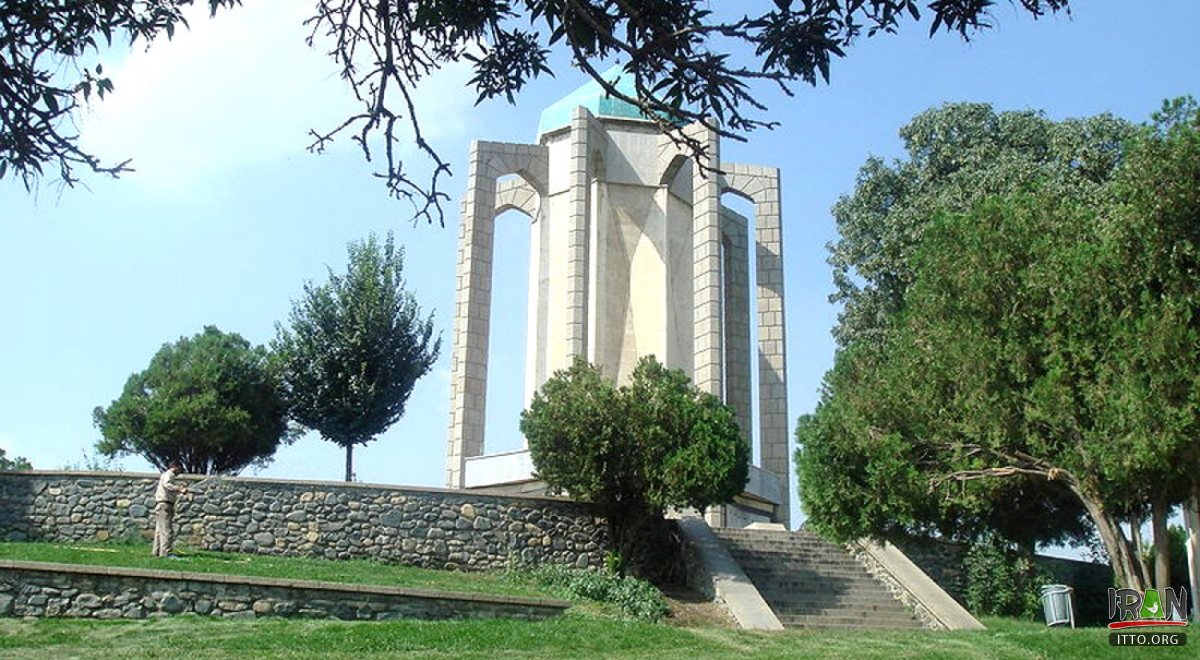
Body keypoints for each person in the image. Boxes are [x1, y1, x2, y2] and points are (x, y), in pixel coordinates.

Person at [152, 461, 188, 557]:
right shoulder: (169, 474)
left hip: (160, 505)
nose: (180, 471)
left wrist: (179, 489)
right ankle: (166, 553)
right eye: (180, 468)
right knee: (167, 530)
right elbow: (167, 484)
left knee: (159, 530)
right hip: (165, 505)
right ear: (175, 467)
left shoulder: (165, 475)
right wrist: (179, 489)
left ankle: (156, 551)